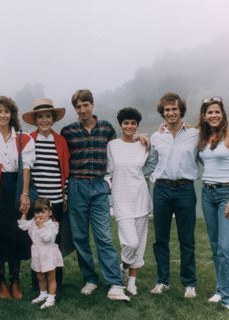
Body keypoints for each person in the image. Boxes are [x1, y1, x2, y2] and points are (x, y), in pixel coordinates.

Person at [60, 89, 130, 301]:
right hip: (76, 186)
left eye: (86, 105)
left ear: (92, 105)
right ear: (75, 109)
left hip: (99, 187)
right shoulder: (68, 131)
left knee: (104, 237)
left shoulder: (107, 129)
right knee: (80, 238)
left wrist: (141, 140)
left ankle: (115, 283)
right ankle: (90, 278)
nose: (82, 110)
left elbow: (118, 152)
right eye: (78, 107)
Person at [0, 96, 35, 300]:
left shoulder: (24, 138)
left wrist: (25, 194)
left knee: (16, 236)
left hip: (16, 188)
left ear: (12, 114)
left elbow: (26, 167)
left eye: (6, 111)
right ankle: (0, 282)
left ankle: (15, 281)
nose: (2, 115)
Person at [197, 96, 229, 317]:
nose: (213, 115)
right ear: (204, 116)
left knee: (225, 248)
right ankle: (220, 289)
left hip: (226, 194)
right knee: (216, 246)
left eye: (217, 112)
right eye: (209, 113)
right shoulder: (202, 138)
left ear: (222, 114)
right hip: (207, 194)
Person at [22, 98, 74, 295]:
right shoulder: (29, 140)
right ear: (35, 120)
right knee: (37, 241)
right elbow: (27, 169)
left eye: (48, 116)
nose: (44, 120)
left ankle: (56, 283)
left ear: (53, 119)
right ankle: (39, 284)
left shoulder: (60, 141)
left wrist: (65, 196)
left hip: (57, 201)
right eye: (40, 117)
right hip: (38, 201)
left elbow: (65, 171)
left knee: (54, 243)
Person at [149, 92, 199, 298]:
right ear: (163, 113)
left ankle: (189, 283)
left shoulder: (194, 134)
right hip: (161, 189)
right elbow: (150, 162)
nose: (171, 113)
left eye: (174, 109)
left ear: (181, 111)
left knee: (186, 239)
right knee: (161, 239)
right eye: (167, 110)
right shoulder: (156, 136)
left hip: (185, 189)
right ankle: (162, 281)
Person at [107, 107, 157, 296]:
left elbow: (153, 163)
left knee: (140, 242)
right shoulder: (112, 146)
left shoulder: (144, 145)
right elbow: (107, 170)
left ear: (137, 125)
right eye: (126, 123)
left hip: (141, 199)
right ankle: (123, 266)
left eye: (133, 123)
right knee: (130, 242)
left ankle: (132, 282)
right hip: (121, 199)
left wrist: (139, 174)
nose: (129, 126)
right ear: (120, 125)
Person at [18, 198, 64, 309]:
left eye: (43, 212)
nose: (40, 215)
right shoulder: (34, 221)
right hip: (37, 253)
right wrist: (24, 214)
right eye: (37, 212)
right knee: (40, 276)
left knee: (51, 277)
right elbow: (22, 225)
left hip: (48, 254)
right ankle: (43, 294)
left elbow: (47, 238)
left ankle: (51, 297)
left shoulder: (53, 225)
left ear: (50, 212)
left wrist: (40, 226)